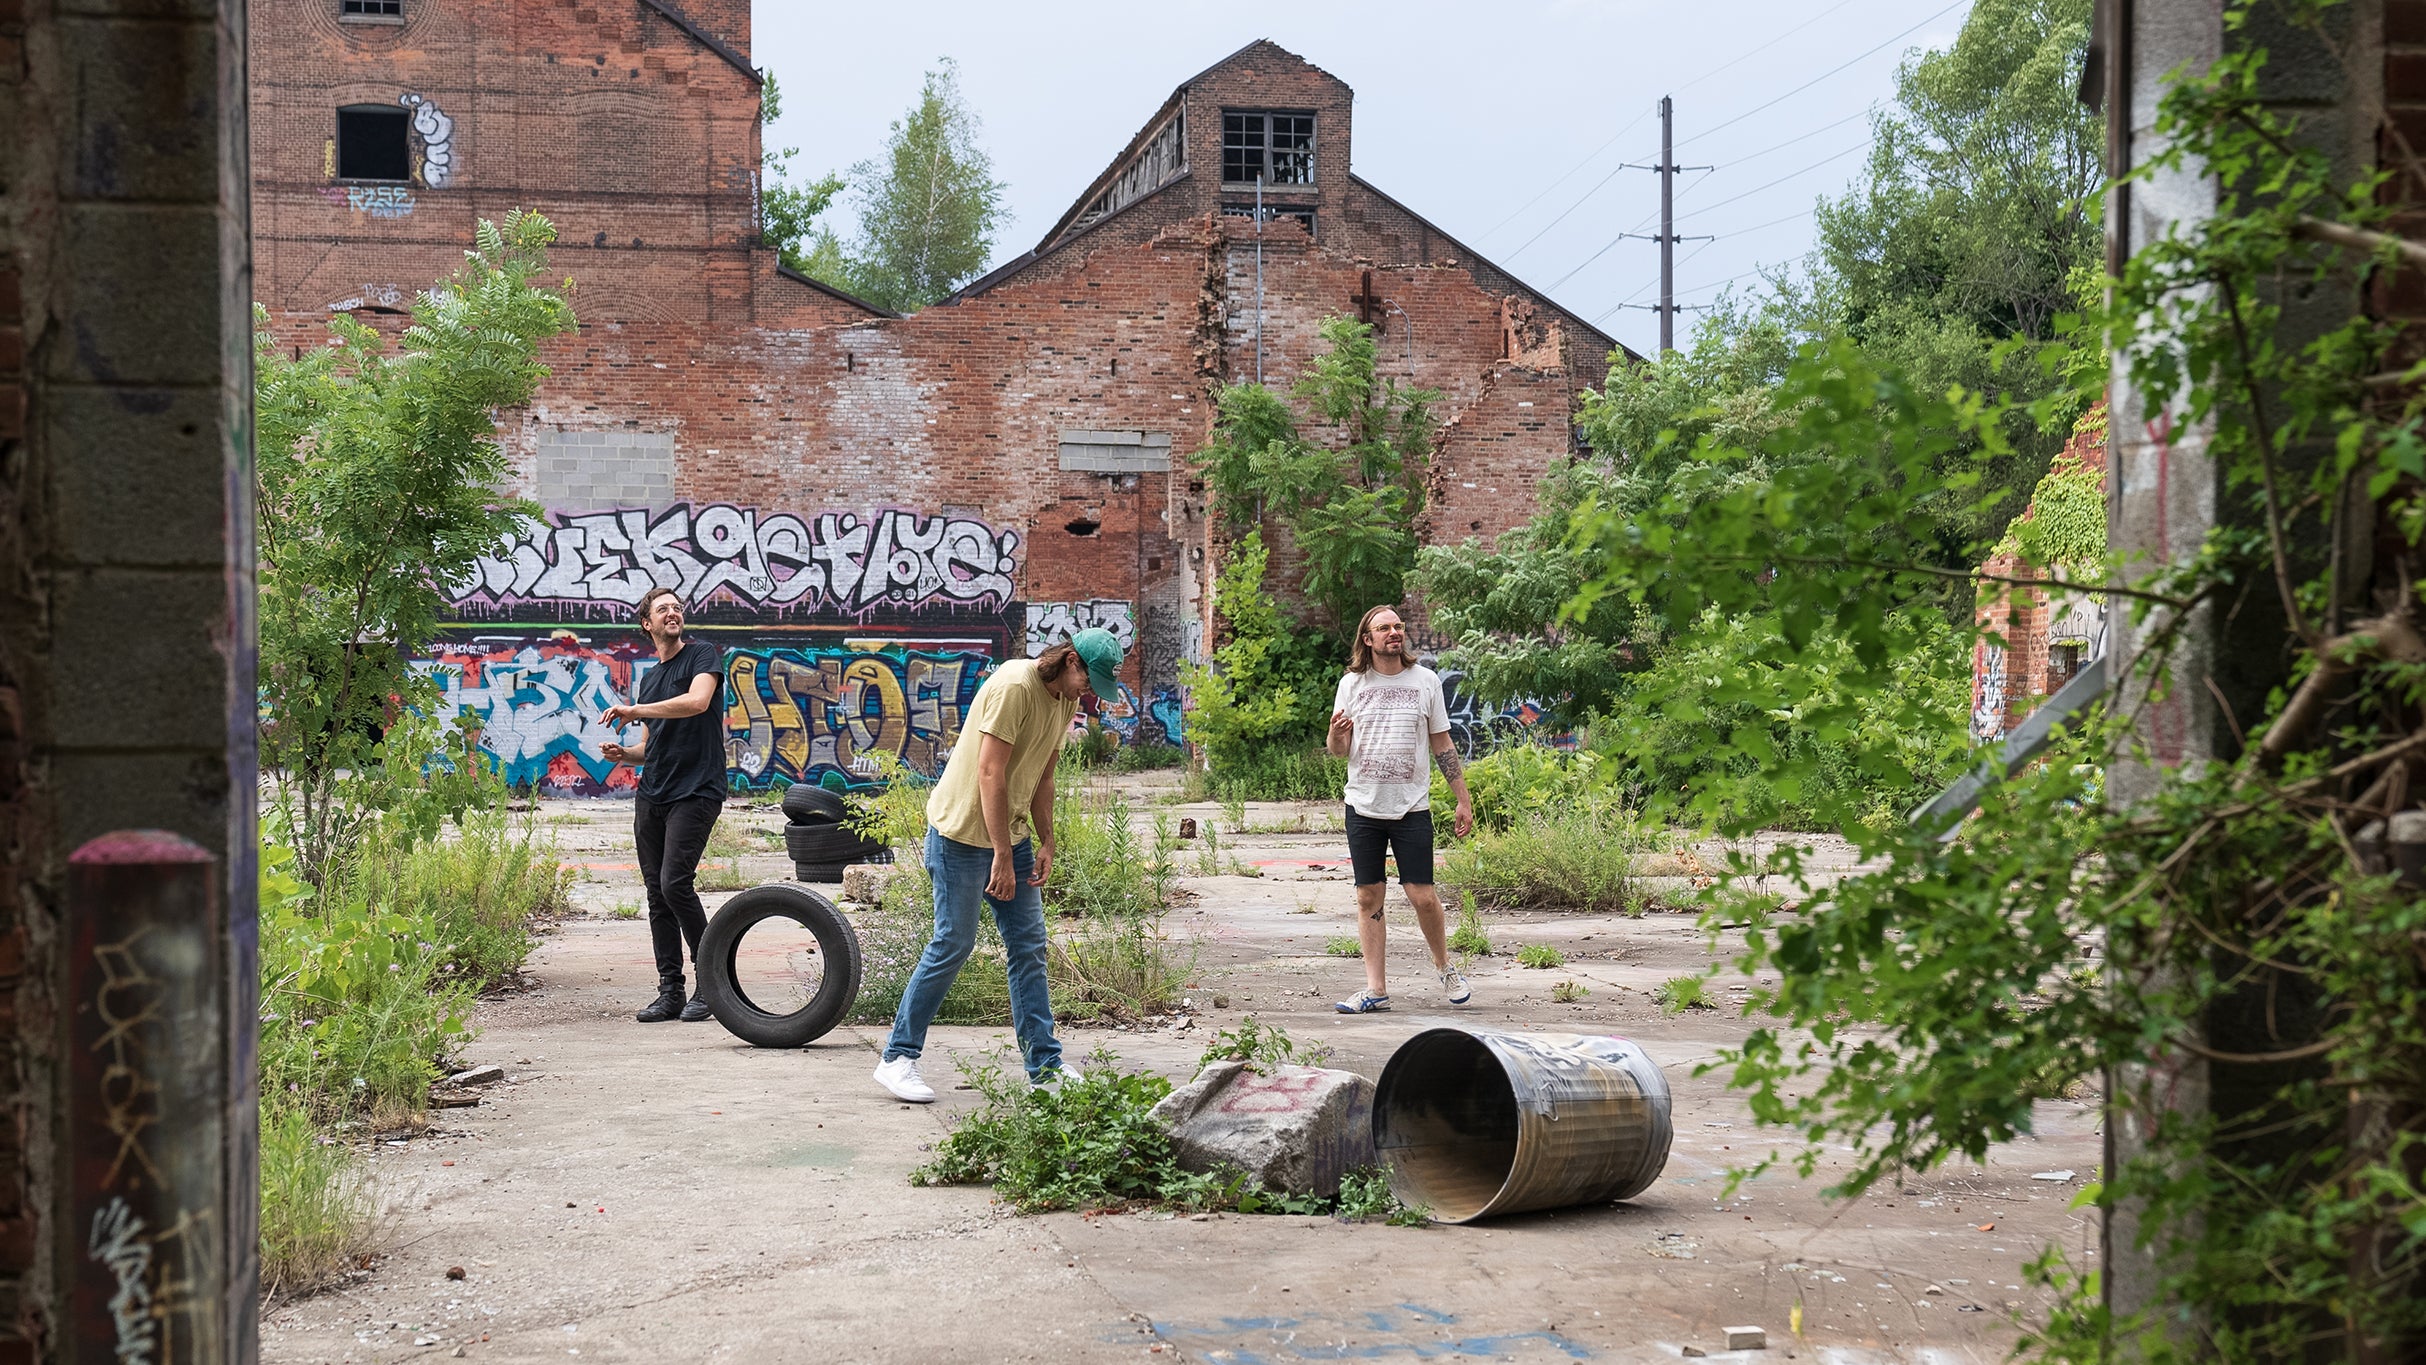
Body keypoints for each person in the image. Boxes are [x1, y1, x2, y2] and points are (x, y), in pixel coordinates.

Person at [872, 628, 1126, 1102]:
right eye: (1088, 680)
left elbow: (1044, 774)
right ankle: (897, 1058)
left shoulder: (1065, 699)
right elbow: (990, 772)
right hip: (962, 835)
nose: (1088, 692)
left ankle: (1045, 1067)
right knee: (954, 942)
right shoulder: (1015, 686)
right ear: (1070, 660)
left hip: (1012, 836)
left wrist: (1048, 840)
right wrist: (1002, 857)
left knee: (1029, 945)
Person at [1325, 604, 1475, 1014]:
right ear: (1367, 639)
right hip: (1363, 805)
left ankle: (1445, 966)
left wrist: (1463, 799)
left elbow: (1442, 743)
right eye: (1383, 628)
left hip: (1411, 808)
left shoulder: (1426, 681)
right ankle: (1376, 990)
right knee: (1367, 896)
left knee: (1422, 895)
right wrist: (1337, 735)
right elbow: (1338, 750)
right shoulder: (1351, 684)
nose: (1394, 632)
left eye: (1398, 626)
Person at [601, 586, 726, 1024]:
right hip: (653, 793)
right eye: (663, 609)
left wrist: (636, 709)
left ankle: (714, 983)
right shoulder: (651, 679)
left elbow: (697, 702)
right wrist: (625, 755)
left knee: (676, 883)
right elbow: (648, 747)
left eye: (677, 607)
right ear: (647, 624)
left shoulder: (703, 655)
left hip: (697, 789)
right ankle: (670, 990)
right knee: (657, 894)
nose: (673, 612)